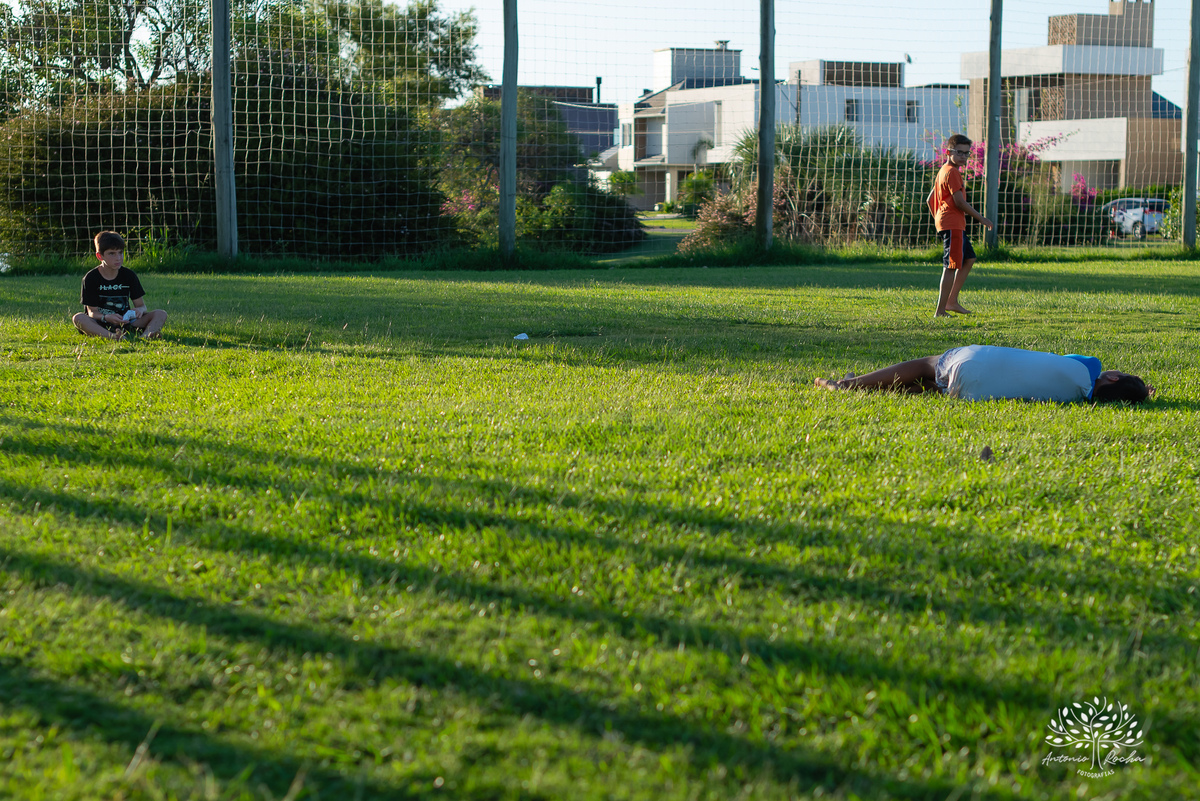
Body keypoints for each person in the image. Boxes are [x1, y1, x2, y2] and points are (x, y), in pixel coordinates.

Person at [814, 345, 1154, 404]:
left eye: (1118, 373)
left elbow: (1065, 362)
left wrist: (1134, 384)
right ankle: (929, 389)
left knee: (928, 362)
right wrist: (1137, 392)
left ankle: (850, 384)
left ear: (1110, 379)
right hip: (974, 390)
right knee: (937, 384)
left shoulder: (1089, 367)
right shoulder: (1076, 401)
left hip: (971, 361)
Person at [926, 134, 994, 317]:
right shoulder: (952, 172)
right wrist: (981, 218)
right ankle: (940, 311)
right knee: (950, 266)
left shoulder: (943, 170)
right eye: (959, 152)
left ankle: (952, 301)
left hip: (949, 223)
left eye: (966, 153)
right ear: (948, 152)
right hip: (953, 224)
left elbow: (930, 199)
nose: (963, 156)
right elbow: (959, 202)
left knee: (968, 258)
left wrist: (938, 218)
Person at [72, 231, 167, 341]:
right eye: (112, 254)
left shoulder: (129, 275)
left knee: (160, 314)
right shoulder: (91, 278)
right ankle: (114, 336)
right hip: (101, 322)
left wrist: (139, 310)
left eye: (120, 252)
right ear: (99, 256)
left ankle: (145, 337)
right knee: (78, 318)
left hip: (126, 321)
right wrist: (106, 317)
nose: (118, 258)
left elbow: (141, 305)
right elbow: (92, 312)